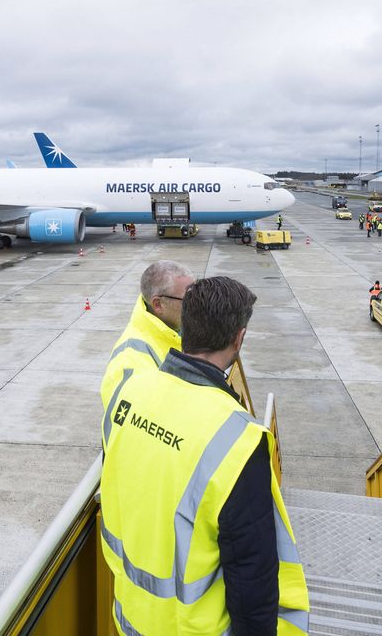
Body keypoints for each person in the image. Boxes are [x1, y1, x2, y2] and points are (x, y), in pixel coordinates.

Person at [99, 276, 310, 634]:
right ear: (238, 338)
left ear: (186, 326)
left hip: (130, 618)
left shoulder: (130, 393)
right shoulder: (238, 440)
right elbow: (252, 582)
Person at [101, 260, 195, 421]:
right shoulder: (130, 362)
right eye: (188, 299)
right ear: (158, 304)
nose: (195, 305)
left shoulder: (175, 326)